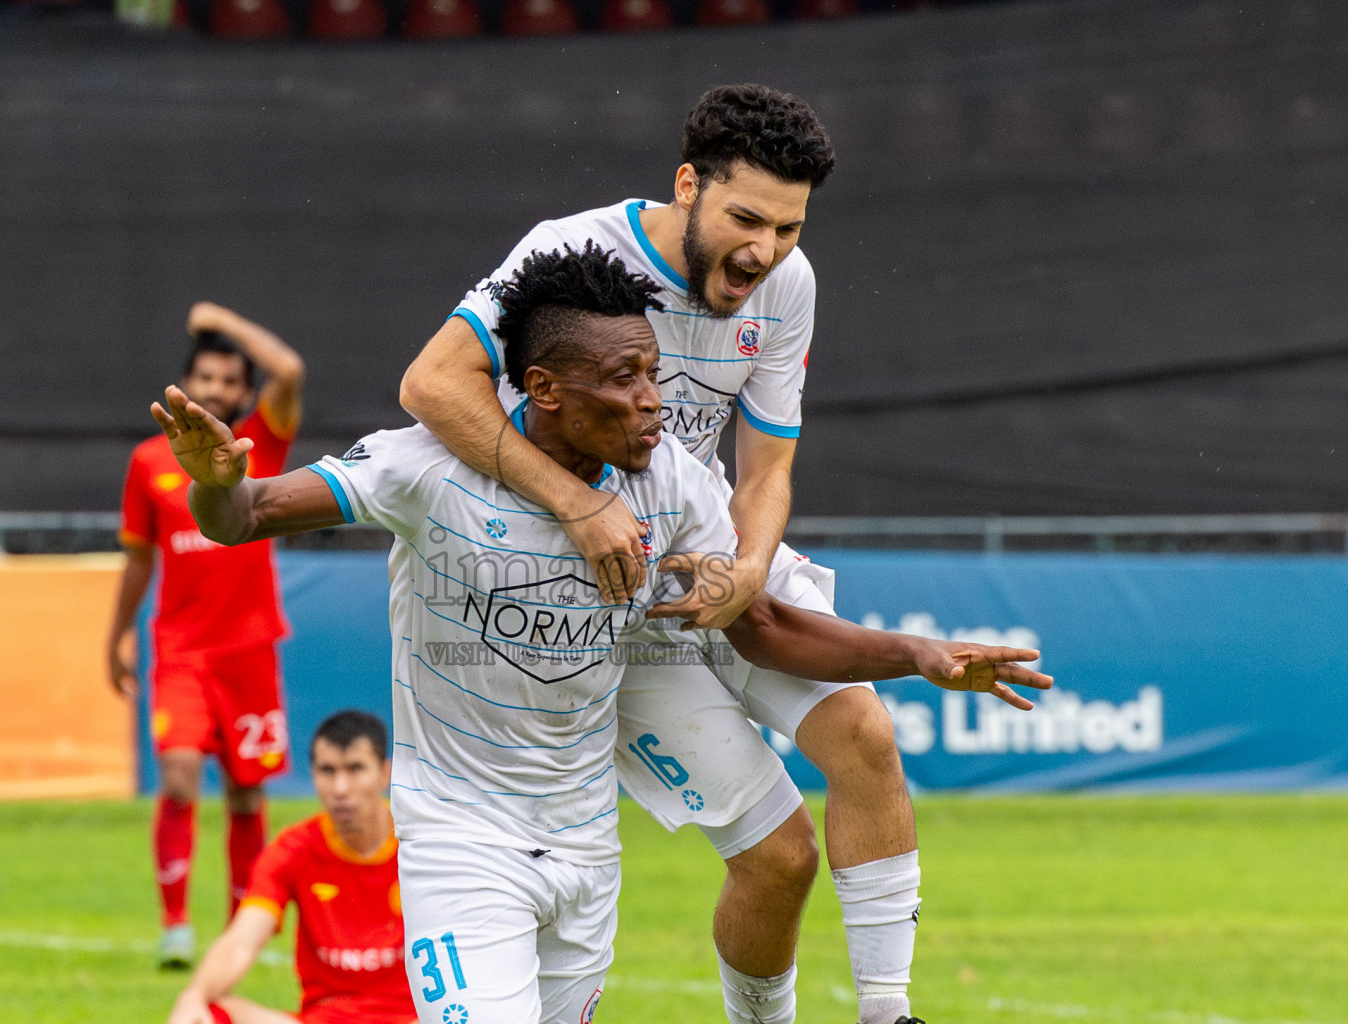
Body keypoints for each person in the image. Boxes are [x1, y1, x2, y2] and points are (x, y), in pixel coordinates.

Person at [150, 244, 1050, 1023]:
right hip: (465, 844)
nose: (654, 402)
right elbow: (247, 513)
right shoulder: (423, 468)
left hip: (585, 849)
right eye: (625, 380)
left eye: (654, 373)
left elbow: (763, 623)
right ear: (543, 388)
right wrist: (212, 483)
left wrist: (919, 656)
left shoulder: (669, 484)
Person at [398, 83, 935, 1024]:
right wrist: (576, 504)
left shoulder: (788, 288)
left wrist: (750, 570)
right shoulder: (574, 253)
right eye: (746, 218)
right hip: (603, 603)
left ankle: (888, 1015)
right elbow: (433, 383)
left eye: (790, 229)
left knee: (866, 737)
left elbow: (766, 469)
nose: (764, 251)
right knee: (779, 859)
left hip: (712, 555)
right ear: (688, 185)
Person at [108, 300, 306, 968]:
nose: (217, 390)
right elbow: (139, 557)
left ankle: (236, 931)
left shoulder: (259, 445)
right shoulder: (147, 462)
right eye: (206, 378)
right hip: (181, 651)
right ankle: (174, 926)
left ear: (245, 393)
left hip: (250, 649)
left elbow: (290, 368)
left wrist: (221, 317)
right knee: (181, 777)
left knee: (249, 792)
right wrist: (117, 636)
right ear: (185, 386)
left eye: (230, 381)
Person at [167, 709, 418, 1024]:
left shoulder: (421, 846)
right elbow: (242, 941)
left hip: (415, 1019)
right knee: (210, 1015)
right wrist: (194, 996)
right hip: (322, 1020)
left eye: (355, 769)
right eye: (328, 771)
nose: (340, 788)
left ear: (385, 773)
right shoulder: (295, 849)